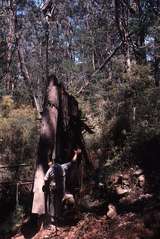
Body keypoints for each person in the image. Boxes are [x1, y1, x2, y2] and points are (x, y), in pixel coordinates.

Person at [43, 148, 81, 225]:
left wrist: (46, 185)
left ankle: (54, 220)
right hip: (62, 191)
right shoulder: (63, 167)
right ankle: (63, 216)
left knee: (53, 204)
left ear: (53, 162)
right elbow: (73, 162)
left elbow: (45, 178)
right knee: (66, 200)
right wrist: (76, 154)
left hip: (54, 191)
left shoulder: (51, 169)